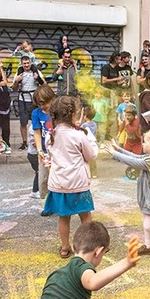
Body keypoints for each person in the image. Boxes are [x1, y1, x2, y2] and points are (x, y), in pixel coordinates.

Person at [32, 221, 139, 299]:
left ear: (73, 247)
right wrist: (127, 263)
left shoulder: (55, 275)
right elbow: (92, 282)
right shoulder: (81, 267)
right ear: (98, 252)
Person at [43, 96, 98, 258]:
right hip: (78, 183)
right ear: (73, 114)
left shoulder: (50, 135)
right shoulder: (79, 135)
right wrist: (92, 141)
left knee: (64, 217)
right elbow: (91, 155)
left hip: (59, 183)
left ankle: (65, 246)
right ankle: (89, 245)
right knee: (85, 215)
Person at [106, 128, 150, 256]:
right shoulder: (149, 158)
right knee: (145, 221)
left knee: (148, 225)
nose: (143, 144)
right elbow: (135, 156)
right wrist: (118, 149)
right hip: (147, 197)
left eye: (146, 142)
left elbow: (133, 161)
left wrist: (115, 154)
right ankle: (148, 246)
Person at [12, 56, 46, 150]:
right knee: (23, 122)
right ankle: (24, 142)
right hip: (22, 98)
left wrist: (38, 78)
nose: (26, 65)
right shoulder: (19, 73)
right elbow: (14, 89)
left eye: (28, 63)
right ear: (21, 64)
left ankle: (37, 139)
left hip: (34, 99)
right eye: (24, 63)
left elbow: (45, 84)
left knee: (36, 120)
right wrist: (16, 81)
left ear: (30, 63)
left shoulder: (36, 72)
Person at [32, 85, 54, 204]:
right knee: (43, 179)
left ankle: (58, 202)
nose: (42, 106)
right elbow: (37, 132)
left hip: (56, 150)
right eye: (39, 104)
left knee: (57, 178)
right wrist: (40, 150)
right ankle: (46, 203)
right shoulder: (36, 113)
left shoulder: (57, 111)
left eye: (44, 103)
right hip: (44, 151)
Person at [0, 65, 11, 154]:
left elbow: (5, 81)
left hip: (6, 109)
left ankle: (6, 145)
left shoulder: (2, 83)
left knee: (6, 129)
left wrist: (1, 68)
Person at [82, 105, 98, 179]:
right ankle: (94, 173)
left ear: (85, 116)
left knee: (87, 159)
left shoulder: (84, 125)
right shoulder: (94, 124)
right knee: (93, 159)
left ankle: (88, 172)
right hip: (93, 143)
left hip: (87, 144)